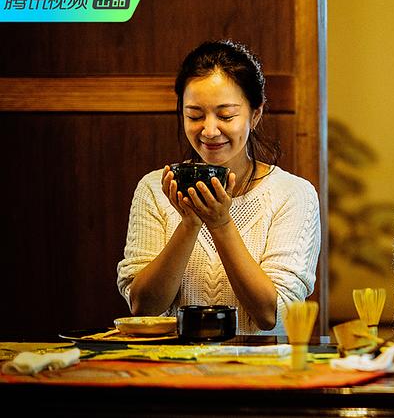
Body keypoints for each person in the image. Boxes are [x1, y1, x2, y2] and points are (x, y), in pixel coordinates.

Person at [117, 40, 320, 335]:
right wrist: (189, 224)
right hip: (173, 362)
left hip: (263, 363)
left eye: (225, 116)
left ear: (255, 114)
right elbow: (142, 308)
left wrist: (220, 223)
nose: (209, 131)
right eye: (194, 116)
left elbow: (272, 315)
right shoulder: (154, 188)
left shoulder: (294, 194)